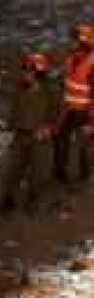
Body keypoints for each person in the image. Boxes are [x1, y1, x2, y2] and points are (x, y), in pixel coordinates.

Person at [0, 50, 57, 214]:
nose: (24, 73)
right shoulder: (20, 90)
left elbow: (58, 114)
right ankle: (8, 199)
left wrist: (48, 129)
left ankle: (34, 200)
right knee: (13, 169)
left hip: (40, 139)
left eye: (28, 70)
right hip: (21, 135)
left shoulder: (50, 92)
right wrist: (9, 129)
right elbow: (14, 110)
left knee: (40, 172)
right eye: (24, 69)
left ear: (37, 74)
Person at [57, 24, 94, 183]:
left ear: (83, 42)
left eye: (74, 39)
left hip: (85, 112)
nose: (70, 42)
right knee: (61, 136)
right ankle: (61, 172)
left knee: (83, 145)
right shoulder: (72, 58)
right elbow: (67, 82)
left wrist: (91, 122)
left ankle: (84, 176)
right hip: (69, 109)